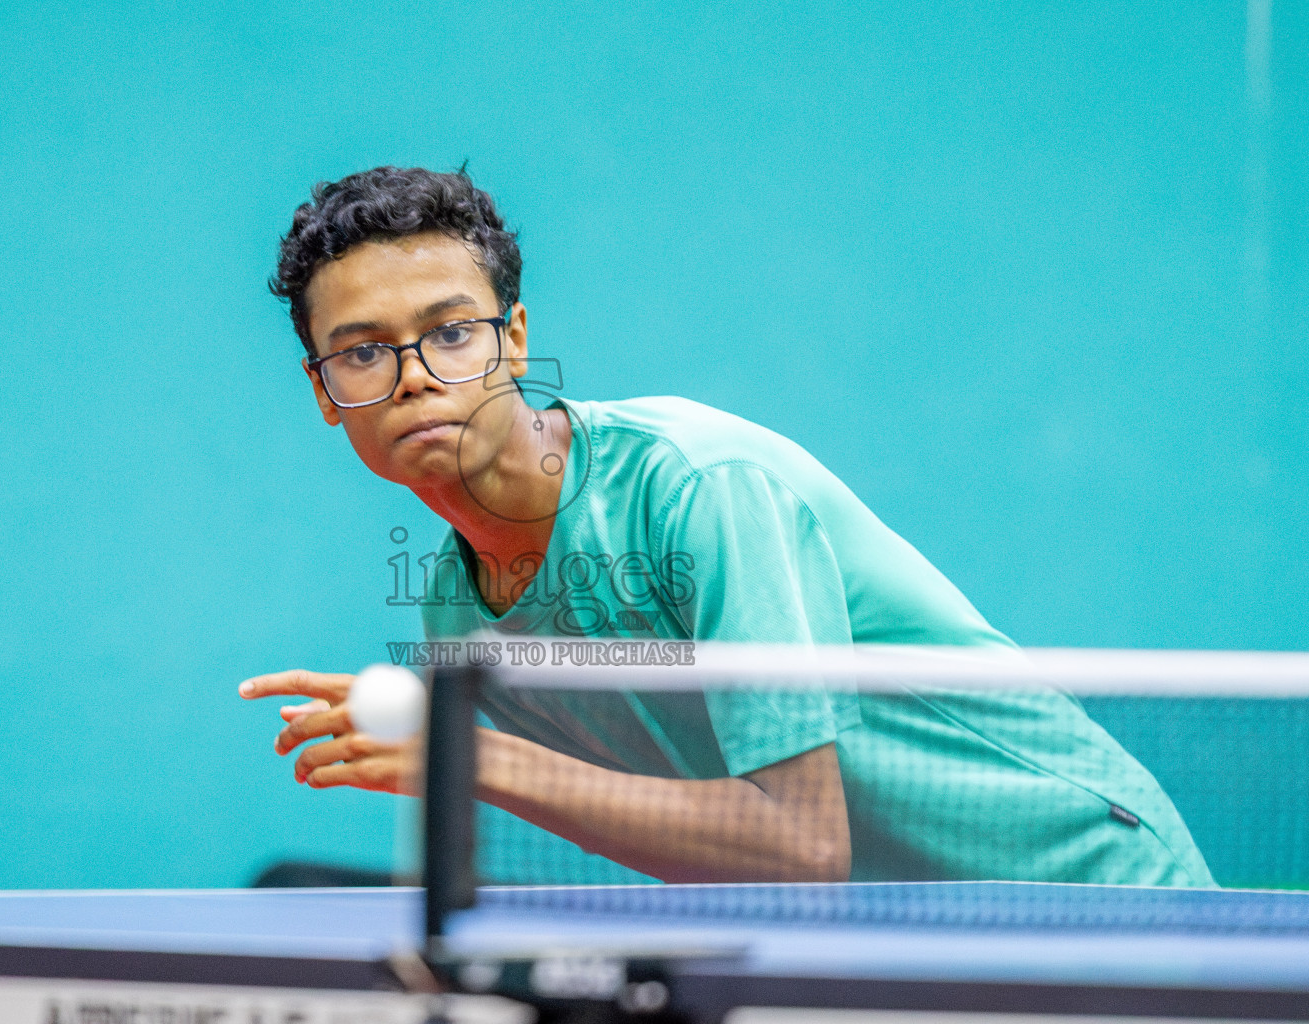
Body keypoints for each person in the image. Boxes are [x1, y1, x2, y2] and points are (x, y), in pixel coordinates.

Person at [239, 166, 1212, 886]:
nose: (413, 373)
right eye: (361, 350)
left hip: (1096, 898)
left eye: (452, 331)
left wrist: (468, 758)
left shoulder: (701, 487)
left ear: (515, 341)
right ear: (325, 393)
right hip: (891, 943)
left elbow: (802, 843)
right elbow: (712, 841)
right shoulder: (457, 606)